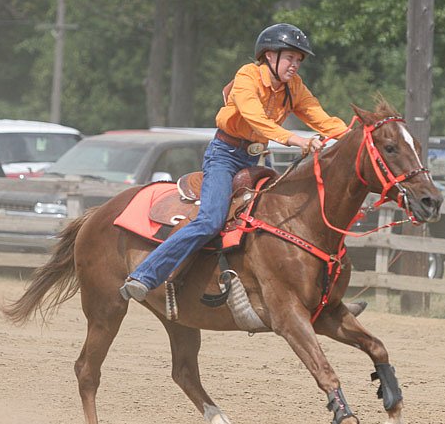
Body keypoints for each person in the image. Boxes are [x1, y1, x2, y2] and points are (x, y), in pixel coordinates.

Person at [120, 23, 350, 302]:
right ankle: (145, 275)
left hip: (253, 158)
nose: (295, 65)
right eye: (290, 57)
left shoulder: (294, 87)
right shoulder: (247, 76)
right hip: (224, 157)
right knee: (210, 220)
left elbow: (321, 119)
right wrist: (297, 140)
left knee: (275, 218)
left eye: (299, 60)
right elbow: (256, 119)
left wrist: (360, 135)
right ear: (269, 55)